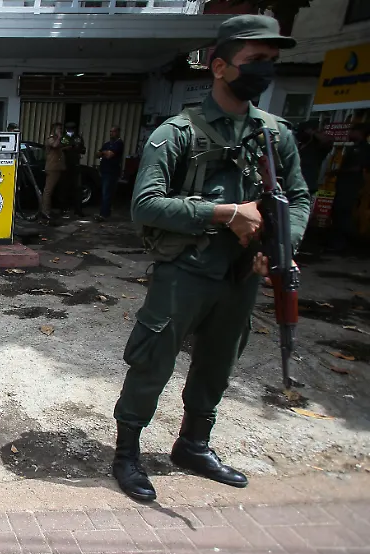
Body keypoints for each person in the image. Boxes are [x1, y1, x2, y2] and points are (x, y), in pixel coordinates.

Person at [111, 14, 310, 502]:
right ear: (219, 66)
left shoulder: (276, 134)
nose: (265, 70)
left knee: (218, 363)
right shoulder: (177, 133)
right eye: (255, 60)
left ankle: (193, 445)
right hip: (185, 271)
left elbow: (298, 199)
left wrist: (279, 248)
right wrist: (226, 214)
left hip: (241, 276)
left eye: (271, 61)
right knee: (152, 362)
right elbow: (145, 205)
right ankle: (127, 453)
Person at [330, 123, 369, 251]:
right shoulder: (354, 147)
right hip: (345, 185)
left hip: (351, 185)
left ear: (360, 132)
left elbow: (357, 168)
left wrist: (337, 172)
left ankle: (346, 243)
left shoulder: (363, 149)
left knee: (343, 213)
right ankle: (338, 242)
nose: (349, 133)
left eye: (352, 131)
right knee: (338, 212)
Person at [96, 125, 125, 221]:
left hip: (112, 171)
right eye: (110, 131)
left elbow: (109, 155)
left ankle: (104, 214)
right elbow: (97, 154)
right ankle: (105, 212)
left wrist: (103, 153)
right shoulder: (107, 144)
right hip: (104, 170)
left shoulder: (119, 143)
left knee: (107, 192)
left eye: (113, 131)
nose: (111, 133)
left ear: (118, 132)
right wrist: (105, 152)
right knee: (104, 192)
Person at [296, 120, 332, 194]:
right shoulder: (299, 145)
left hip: (308, 183)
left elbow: (328, 141)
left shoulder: (317, 147)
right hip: (294, 182)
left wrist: (313, 133)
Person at [40, 122, 65, 225]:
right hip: (52, 168)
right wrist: (58, 136)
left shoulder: (57, 139)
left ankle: (49, 210)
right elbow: (55, 145)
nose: (61, 131)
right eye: (59, 129)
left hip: (57, 167)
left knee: (53, 190)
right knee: (48, 191)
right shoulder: (51, 139)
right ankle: (45, 211)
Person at [60, 121, 87, 218]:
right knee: (64, 188)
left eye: (72, 129)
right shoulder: (63, 138)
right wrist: (69, 147)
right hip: (65, 165)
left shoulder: (78, 138)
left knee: (77, 188)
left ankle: (78, 210)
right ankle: (63, 209)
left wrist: (79, 148)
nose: (71, 130)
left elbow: (83, 150)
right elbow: (59, 149)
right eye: (69, 129)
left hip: (75, 165)